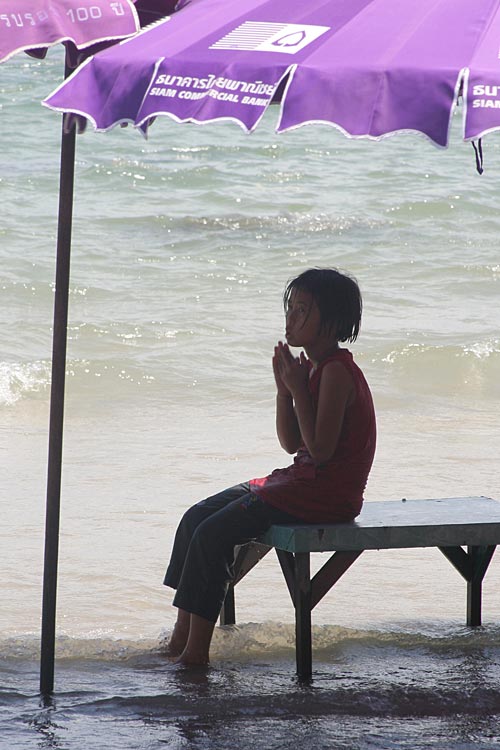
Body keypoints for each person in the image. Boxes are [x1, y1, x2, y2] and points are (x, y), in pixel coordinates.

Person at [163, 267, 376, 666]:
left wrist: (297, 389)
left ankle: (195, 655)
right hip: (300, 481)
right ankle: (179, 640)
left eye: (302, 311)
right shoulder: (313, 368)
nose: (291, 320)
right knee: (195, 518)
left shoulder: (336, 372)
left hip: (327, 494)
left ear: (330, 322)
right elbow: (292, 443)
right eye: (290, 309)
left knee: (213, 535)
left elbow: (322, 450)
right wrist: (285, 392)